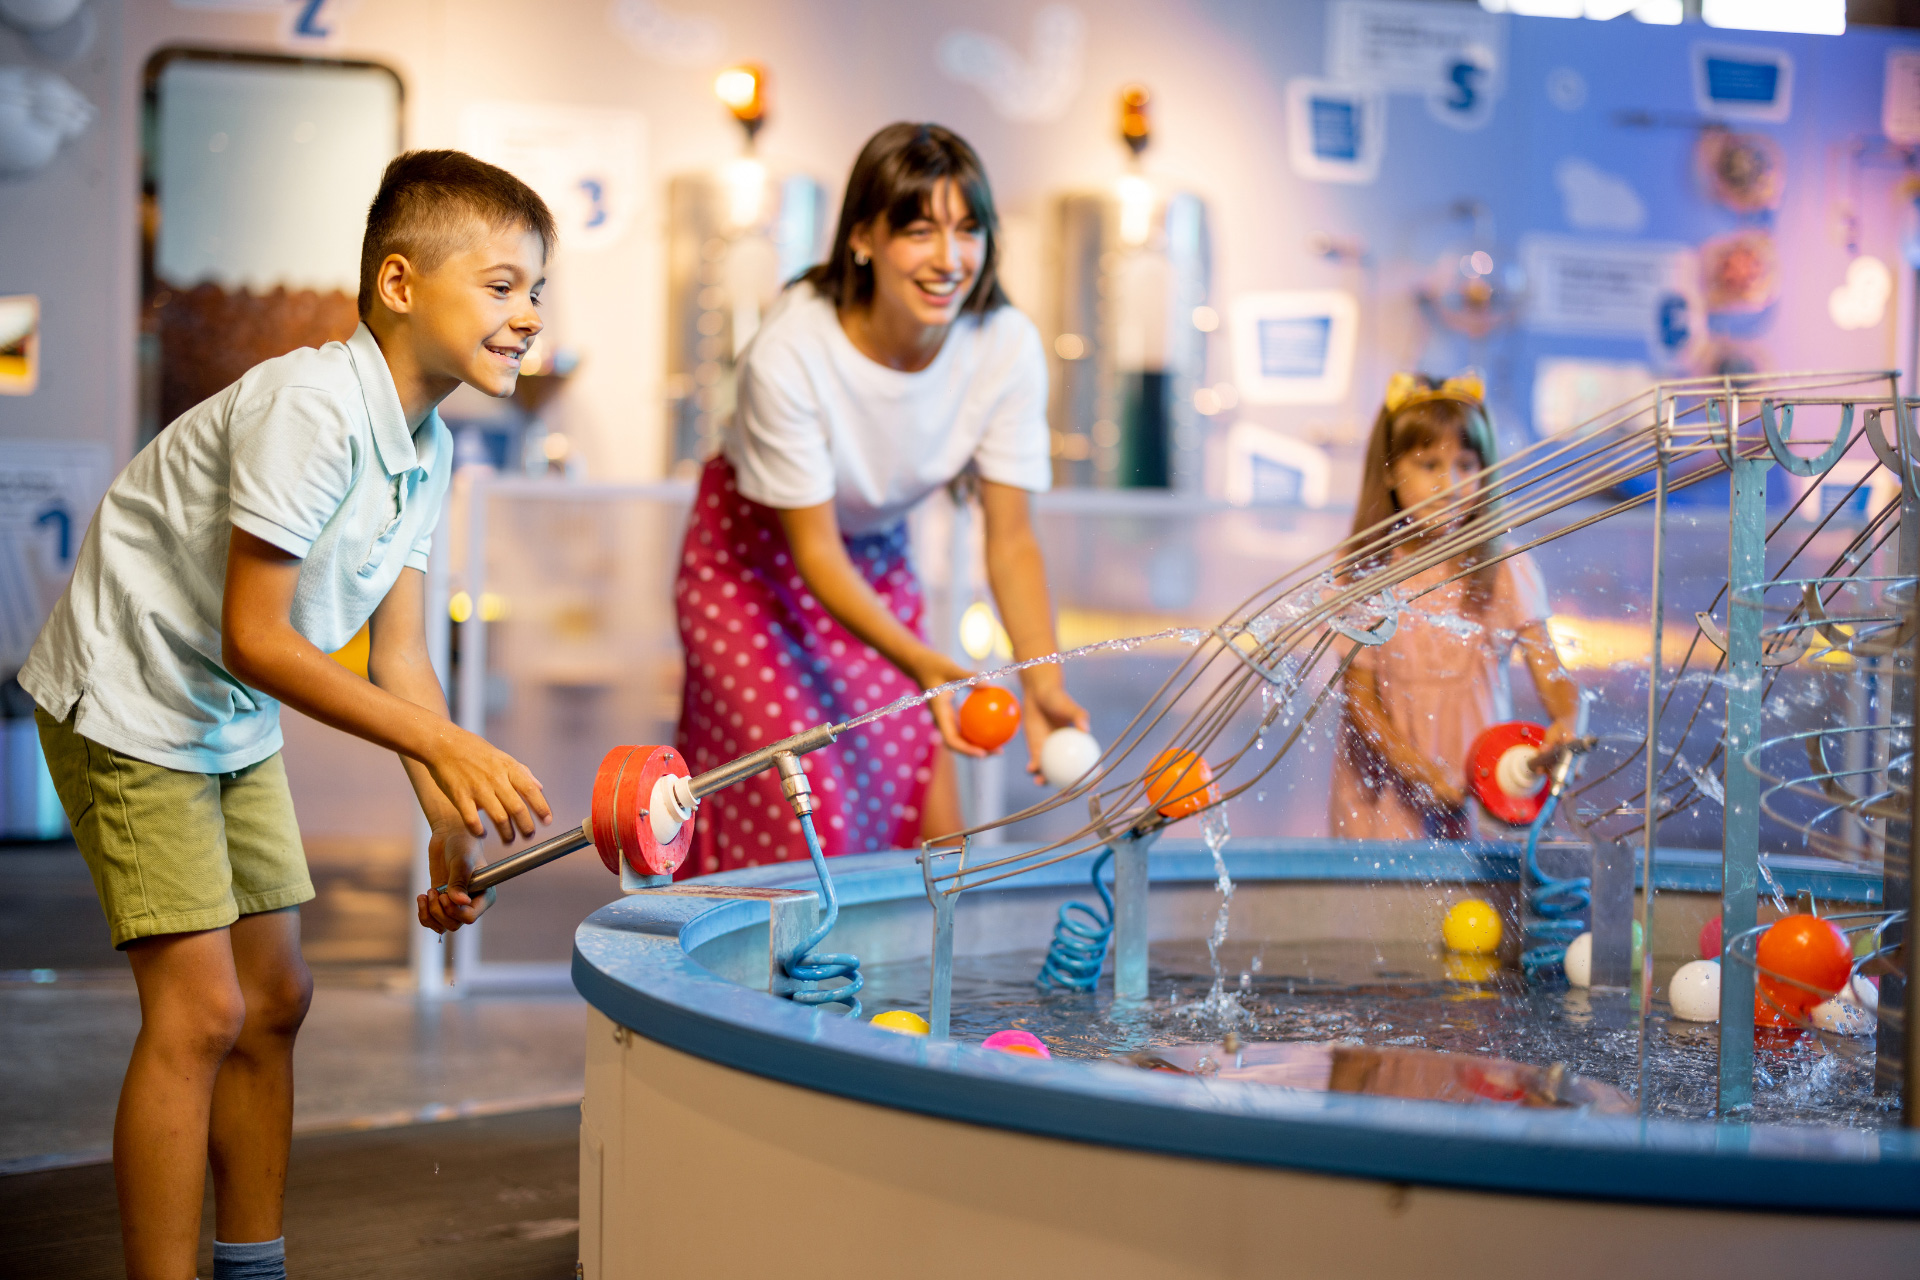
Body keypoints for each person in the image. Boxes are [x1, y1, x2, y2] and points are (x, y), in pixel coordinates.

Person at [20, 151, 555, 1280]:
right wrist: (446, 743)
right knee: (203, 1010)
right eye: (503, 285)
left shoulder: (430, 440)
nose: (528, 316)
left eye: (538, 291)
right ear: (401, 283)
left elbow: (399, 653)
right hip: (128, 692)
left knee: (278, 994)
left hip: (222, 709)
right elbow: (254, 635)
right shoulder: (314, 406)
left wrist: (443, 813)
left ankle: (253, 1264)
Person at [675, 122, 1085, 874]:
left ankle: (901, 990)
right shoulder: (791, 352)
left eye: (969, 230)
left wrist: (1043, 682)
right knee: (807, 811)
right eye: (919, 230)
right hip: (751, 562)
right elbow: (814, 549)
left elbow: (1011, 540)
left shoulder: (1004, 345)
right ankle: (769, 988)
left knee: (927, 814)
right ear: (863, 236)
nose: (949, 258)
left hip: (873, 553)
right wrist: (924, 661)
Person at [1328, 372, 1580, 840]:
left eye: (1466, 465)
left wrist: (1567, 721)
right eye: (1430, 464)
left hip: (1476, 786)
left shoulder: (1504, 568)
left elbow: (1553, 673)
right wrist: (1418, 771)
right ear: (1388, 471)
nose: (1451, 483)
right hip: (1384, 791)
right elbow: (1359, 697)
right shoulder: (1366, 570)